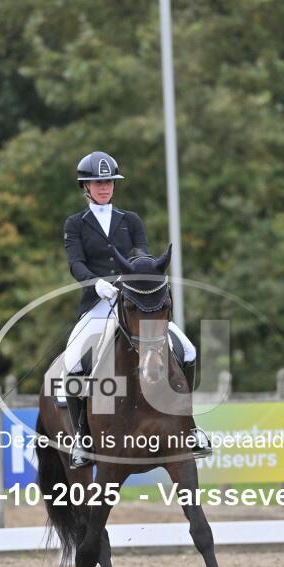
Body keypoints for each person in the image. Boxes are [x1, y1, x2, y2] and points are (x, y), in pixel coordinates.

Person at [62, 150, 211, 468]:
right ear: (86, 187)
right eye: (98, 183)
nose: (104, 187)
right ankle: (82, 436)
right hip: (97, 305)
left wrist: (137, 276)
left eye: (108, 182)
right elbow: (76, 263)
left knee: (187, 350)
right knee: (73, 362)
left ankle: (191, 427)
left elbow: (141, 254)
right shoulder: (75, 224)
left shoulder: (130, 220)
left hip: (135, 303)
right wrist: (96, 284)